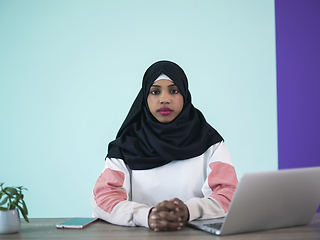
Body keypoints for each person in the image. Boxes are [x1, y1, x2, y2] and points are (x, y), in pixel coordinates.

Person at [91, 60, 238, 231]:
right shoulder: (125, 147)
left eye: (174, 91)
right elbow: (103, 198)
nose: (164, 99)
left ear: (185, 94)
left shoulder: (209, 142)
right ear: (145, 97)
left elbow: (230, 193)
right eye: (155, 92)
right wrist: (147, 216)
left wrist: (189, 211)